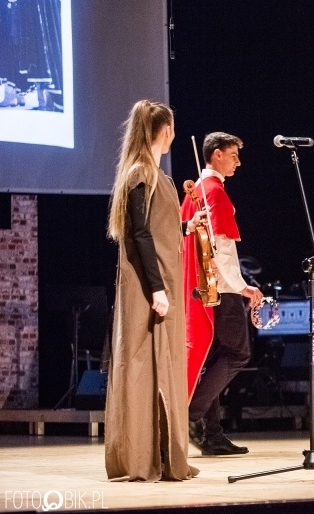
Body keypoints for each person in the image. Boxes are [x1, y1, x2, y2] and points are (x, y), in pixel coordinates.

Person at [105, 99, 203, 481]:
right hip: (149, 287)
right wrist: (157, 289)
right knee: (143, 367)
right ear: (164, 131)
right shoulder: (139, 174)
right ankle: (139, 457)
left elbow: (158, 231)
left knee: (166, 368)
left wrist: (186, 227)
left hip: (162, 283)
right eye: (172, 128)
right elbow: (141, 236)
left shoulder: (157, 176)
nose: (174, 135)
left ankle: (164, 454)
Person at [181, 131, 263, 456]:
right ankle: (191, 413)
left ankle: (211, 433)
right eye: (233, 155)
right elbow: (221, 248)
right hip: (221, 286)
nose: (238, 162)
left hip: (201, 287)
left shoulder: (193, 193)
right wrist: (242, 287)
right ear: (216, 154)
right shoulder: (214, 192)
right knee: (238, 353)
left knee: (213, 358)